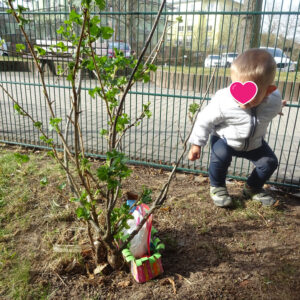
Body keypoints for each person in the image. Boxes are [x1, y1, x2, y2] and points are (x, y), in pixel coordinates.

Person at [188, 48, 283, 208]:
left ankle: (252, 188)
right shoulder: (223, 100)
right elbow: (204, 120)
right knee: (220, 156)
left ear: (268, 91)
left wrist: (278, 108)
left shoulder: (273, 100)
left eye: (251, 98)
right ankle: (217, 187)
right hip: (225, 140)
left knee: (269, 162)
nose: (242, 103)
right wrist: (196, 144)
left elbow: (275, 104)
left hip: (254, 143)